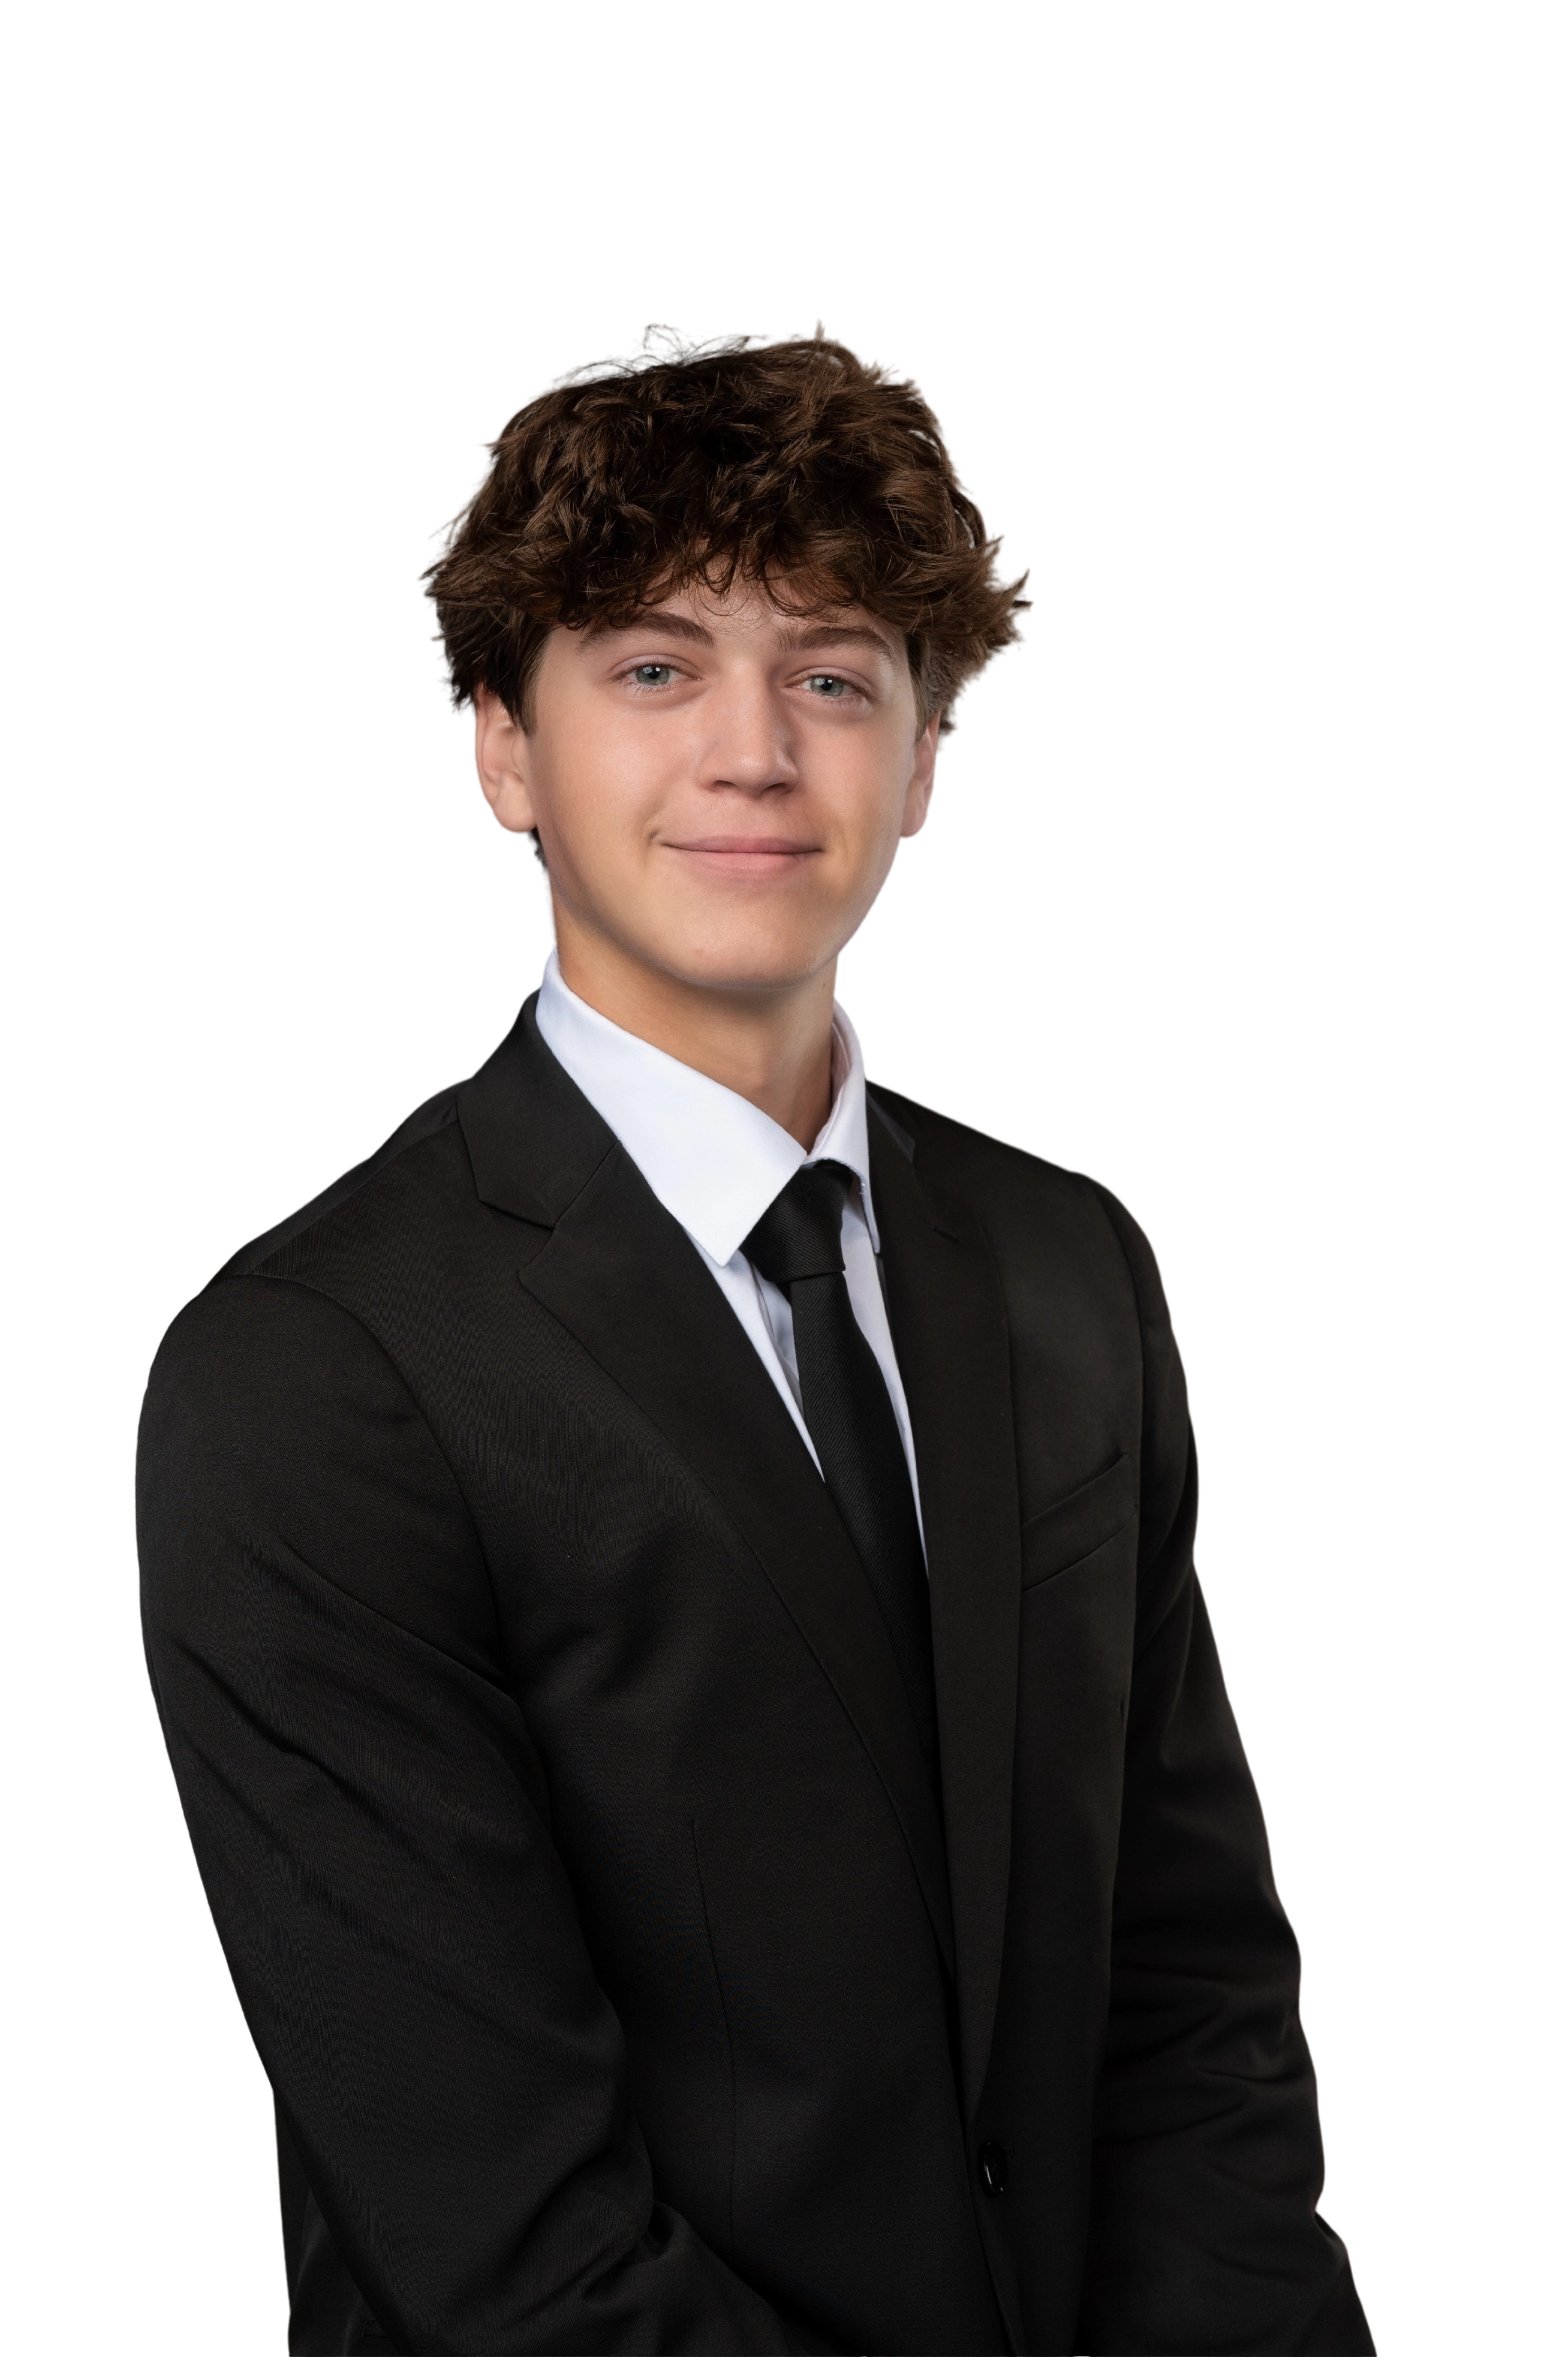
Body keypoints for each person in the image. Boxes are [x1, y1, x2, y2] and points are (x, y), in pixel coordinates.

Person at [134, 319, 1376, 2357]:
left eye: (832, 675)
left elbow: (1188, 1994)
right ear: (502, 748)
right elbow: (500, 2239)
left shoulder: (1065, 1264)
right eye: (652, 669)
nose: (753, 752)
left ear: (926, 756)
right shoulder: (308, 1371)